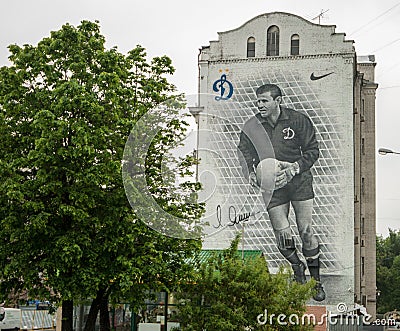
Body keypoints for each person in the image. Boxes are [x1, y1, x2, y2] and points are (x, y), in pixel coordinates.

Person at [237, 83, 325, 301]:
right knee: (283, 235)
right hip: (273, 185)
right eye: (258, 101)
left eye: (264, 101)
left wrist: (295, 168)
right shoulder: (252, 126)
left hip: (298, 181)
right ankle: (297, 266)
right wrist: (250, 172)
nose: (260, 105)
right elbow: (244, 152)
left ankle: (315, 281)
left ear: (278, 101)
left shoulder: (298, 120)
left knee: (305, 230)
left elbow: (313, 150)